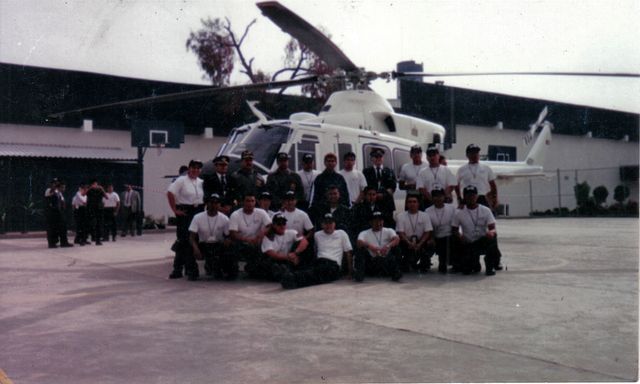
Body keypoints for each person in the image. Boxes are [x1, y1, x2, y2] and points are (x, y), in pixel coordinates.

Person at [279, 213, 353, 289]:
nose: (328, 225)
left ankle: (292, 279)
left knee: (315, 274)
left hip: (333, 264)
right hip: (319, 261)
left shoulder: (342, 233)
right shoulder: (317, 235)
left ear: (334, 224)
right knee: (311, 271)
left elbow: (348, 253)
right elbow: (313, 248)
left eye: (330, 223)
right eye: (326, 223)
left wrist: (350, 272)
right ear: (322, 224)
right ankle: (289, 275)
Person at [167, 159, 204, 280]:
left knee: (191, 241)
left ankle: (178, 269)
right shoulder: (181, 180)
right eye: (193, 168)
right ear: (189, 169)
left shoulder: (201, 182)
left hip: (198, 212)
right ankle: (189, 269)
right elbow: (170, 193)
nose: (195, 170)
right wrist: (175, 210)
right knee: (185, 240)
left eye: (198, 168)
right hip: (185, 213)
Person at [451, 185, 500, 276]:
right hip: (468, 243)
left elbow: (492, 227)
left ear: (477, 196)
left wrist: (491, 232)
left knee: (493, 238)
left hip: (482, 240)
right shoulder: (459, 212)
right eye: (468, 196)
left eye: (473, 195)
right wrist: (460, 236)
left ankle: (490, 266)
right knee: (469, 270)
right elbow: (454, 229)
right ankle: (469, 263)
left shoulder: (485, 210)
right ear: (464, 197)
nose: (471, 198)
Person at [189, 193, 236, 280]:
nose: (214, 205)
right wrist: (195, 248)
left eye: (216, 203)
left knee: (231, 247)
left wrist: (228, 240)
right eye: (211, 202)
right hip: (204, 244)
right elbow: (191, 237)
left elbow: (229, 235)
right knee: (187, 247)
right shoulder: (197, 217)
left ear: (219, 204)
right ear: (207, 203)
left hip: (217, 244)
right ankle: (193, 272)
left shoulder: (224, 218)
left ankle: (227, 271)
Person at [228, 193, 272, 278]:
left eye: (252, 201)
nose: (250, 203)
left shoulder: (261, 212)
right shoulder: (235, 214)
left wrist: (260, 235)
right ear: (242, 202)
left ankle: (253, 268)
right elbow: (232, 233)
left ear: (255, 202)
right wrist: (246, 240)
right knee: (231, 245)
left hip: (257, 241)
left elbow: (269, 226)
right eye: (247, 201)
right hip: (241, 242)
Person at [354, 211, 402, 282]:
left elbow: (397, 239)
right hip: (372, 262)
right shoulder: (364, 233)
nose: (378, 223)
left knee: (397, 248)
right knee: (360, 251)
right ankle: (360, 274)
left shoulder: (389, 230)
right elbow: (359, 242)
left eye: (380, 221)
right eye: (376, 221)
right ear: (371, 222)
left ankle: (396, 272)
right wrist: (370, 246)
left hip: (385, 260)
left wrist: (388, 246)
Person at [260, 214, 309, 281]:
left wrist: (296, 253)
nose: (282, 226)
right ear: (274, 225)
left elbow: (304, 241)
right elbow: (273, 255)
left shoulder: (292, 232)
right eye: (279, 224)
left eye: (284, 223)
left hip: (290, 258)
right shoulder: (268, 237)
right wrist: (289, 257)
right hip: (276, 260)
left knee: (303, 246)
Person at [396, 193, 433, 272]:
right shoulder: (400, 216)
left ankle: (425, 261)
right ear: (406, 204)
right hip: (406, 242)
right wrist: (409, 243)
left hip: (421, 241)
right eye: (409, 202)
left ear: (418, 203)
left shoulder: (425, 215)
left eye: (414, 202)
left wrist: (420, 244)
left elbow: (427, 232)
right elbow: (401, 233)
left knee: (431, 243)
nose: (412, 204)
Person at [425, 187, 458, 273]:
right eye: (435, 196)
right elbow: (428, 227)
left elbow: (456, 224)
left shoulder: (452, 208)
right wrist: (431, 238)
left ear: (444, 197)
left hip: (449, 236)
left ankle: (453, 262)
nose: (438, 198)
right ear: (432, 198)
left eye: (440, 196)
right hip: (435, 236)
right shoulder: (427, 211)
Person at [456, 143, 498, 210]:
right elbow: (456, 184)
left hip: (482, 197)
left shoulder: (486, 168)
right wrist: (459, 198)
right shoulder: (462, 169)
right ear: (467, 155)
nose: (475, 155)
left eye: (476, 153)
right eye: (472, 153)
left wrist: (495, 198)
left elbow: (493, 184)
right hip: (467, 197)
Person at [362, 147, 397, 213]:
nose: (378, 158)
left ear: (383, 158)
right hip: (371, 203)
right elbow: (365, 187)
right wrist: (374, 195)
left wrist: (383, 195)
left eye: (380, 156)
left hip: (386, 204)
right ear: (371, 158)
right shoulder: (366, 172)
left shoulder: (389, 171)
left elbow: (393, 187)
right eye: (376, 156)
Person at [86, 179, 107, 246]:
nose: (96, 185)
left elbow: (107, 197)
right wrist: (90, 188)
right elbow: (83, 194)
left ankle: (97, 240)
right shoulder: (90, 190)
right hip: (91, 209)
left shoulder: (100, 190)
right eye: (94, 184)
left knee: (98, 224)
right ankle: (86, 238)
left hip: (99, 209)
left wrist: (102, 188)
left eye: (96, 184)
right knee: (90, 224)